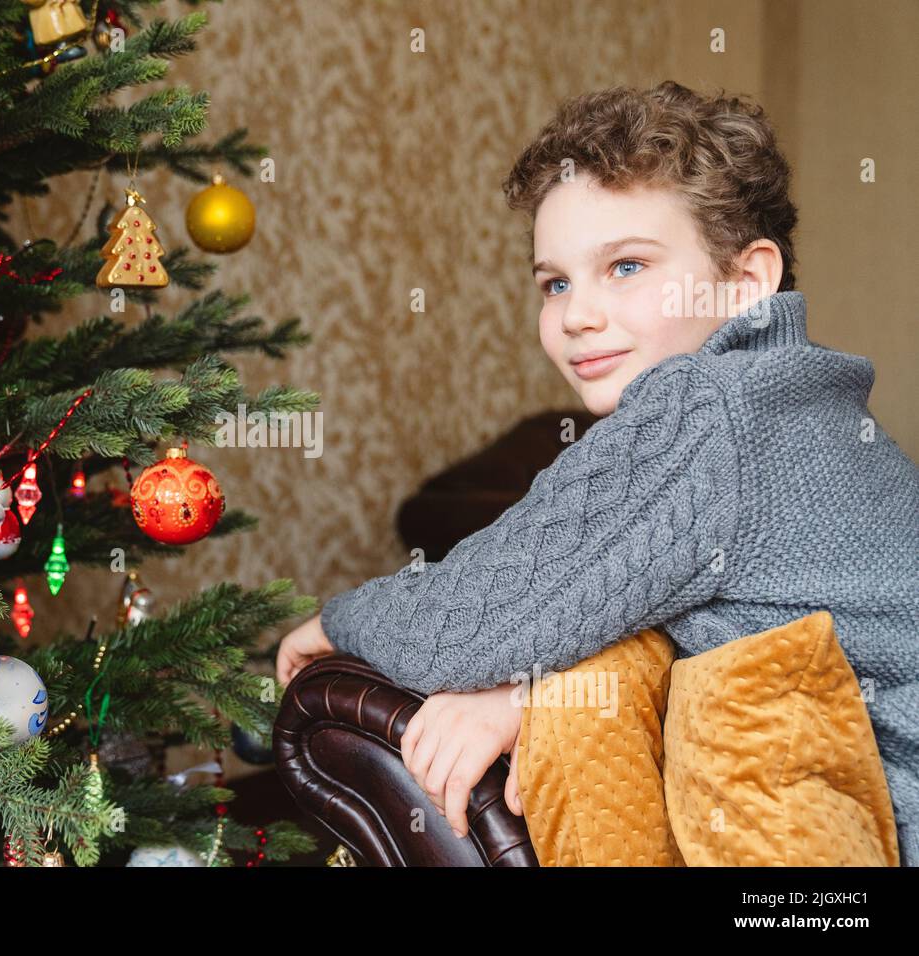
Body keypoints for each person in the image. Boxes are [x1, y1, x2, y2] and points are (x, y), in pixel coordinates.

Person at [275, 81, 919, 865]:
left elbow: (476, 611)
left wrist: (335, 623)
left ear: (747, 281)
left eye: (625, 267)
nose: (577, 313)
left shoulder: (706, 406)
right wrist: (531, 689)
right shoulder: (801, 397)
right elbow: (612, 594)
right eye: (555, 282)